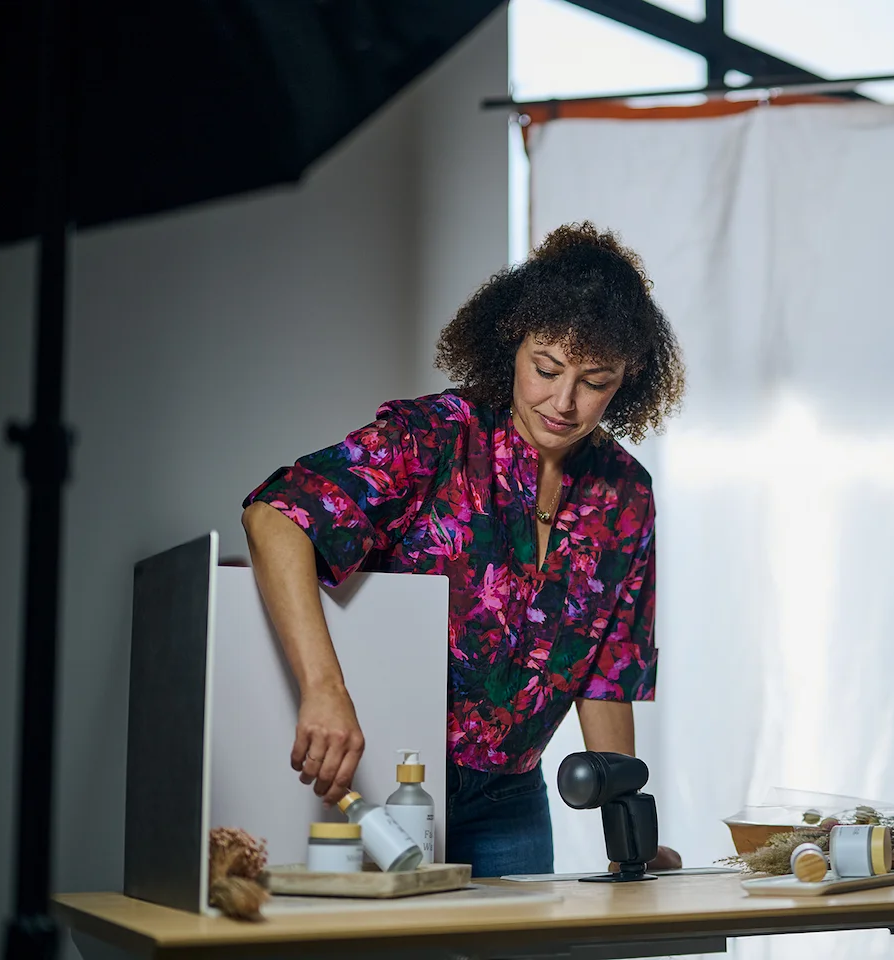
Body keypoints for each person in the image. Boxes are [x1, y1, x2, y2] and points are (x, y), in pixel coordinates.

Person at [240, 222, 686, 877]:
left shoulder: (626, 496)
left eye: (594, 381)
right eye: (546, 368)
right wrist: (323, 690)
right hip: (392, 779)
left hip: (512, 800)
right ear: (513, 341)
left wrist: (630, 837)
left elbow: (605, 673)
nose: (562, 402)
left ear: (630, 376)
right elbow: (274, 515)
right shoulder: (435, 438)